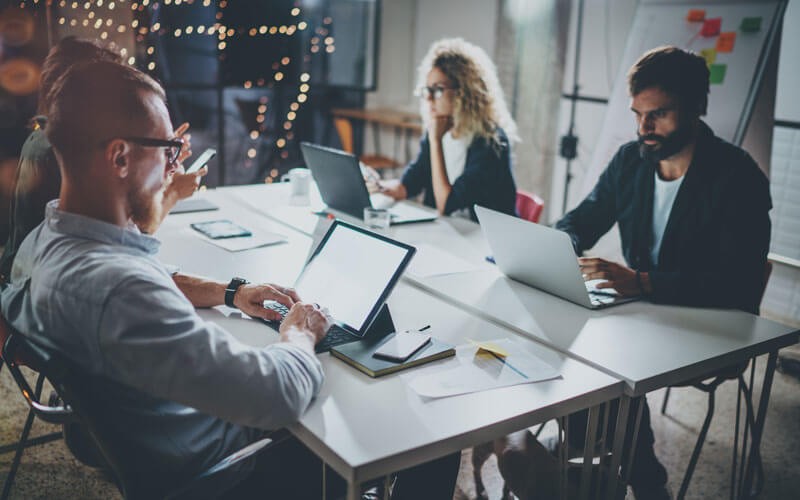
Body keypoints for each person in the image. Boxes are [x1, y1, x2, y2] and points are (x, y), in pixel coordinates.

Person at [0, 60, 459, 499]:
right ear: (119, 156)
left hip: (170, 438)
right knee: (430, 430)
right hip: (230, 475)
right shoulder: (120, 290)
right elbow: (277, 395)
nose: (173, 167)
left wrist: (233, 292)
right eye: (168, 149)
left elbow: (145, 274)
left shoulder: (45, 242)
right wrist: (300, 333)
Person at [555, 46, 771, 499]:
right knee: (578, 344)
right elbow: (581, 219)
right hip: (647, 313)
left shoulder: (738, 178)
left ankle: (635, 476)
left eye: (659, 115)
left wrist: (643, 282)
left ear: (696, 108)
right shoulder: (631, 162)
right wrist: (559, 249)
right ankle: (589, 462)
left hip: (713, 325)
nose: (644, 128)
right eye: (638, 114)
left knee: (606, 366)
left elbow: (736, 282)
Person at [0, 37, 205, 282]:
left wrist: (156, 152)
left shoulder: (45, 138)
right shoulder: (57, 153)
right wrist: (171, 193)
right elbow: (123, 246)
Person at [379, 37, 519, 221]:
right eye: (427, 90)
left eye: (437, 90)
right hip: (447, 232)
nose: (429, 98)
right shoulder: (437, 129)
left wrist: (436, 142)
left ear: (464, 92)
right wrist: (380, 186)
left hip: (482, 238)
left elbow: (447, 204)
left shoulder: (490, 142)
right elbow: (412, 181)